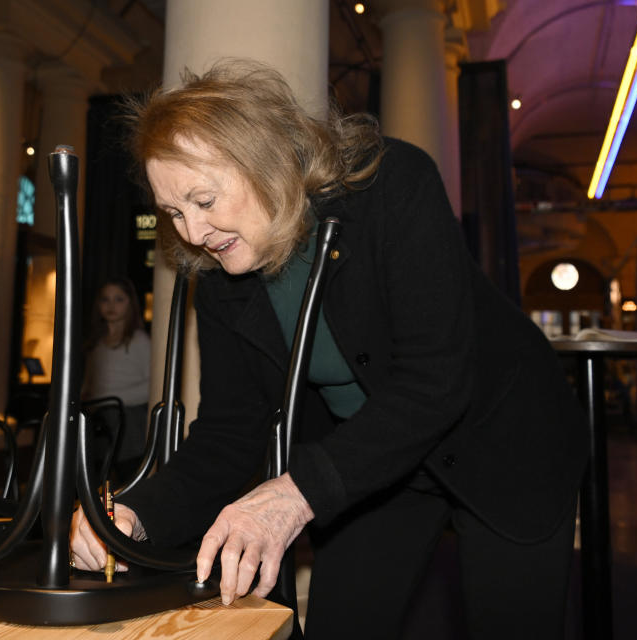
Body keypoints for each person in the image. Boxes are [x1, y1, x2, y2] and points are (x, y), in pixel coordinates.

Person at [70, 60, 588, 639]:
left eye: (203, 199)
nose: (191, 232)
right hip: (372, 463)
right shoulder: (218, 280)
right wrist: (137, 515)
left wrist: (293, 494)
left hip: (503, 441)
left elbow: (435, 381)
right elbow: (229, 432)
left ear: (264, 160)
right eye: (173, 212)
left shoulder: (392, 187)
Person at [81, 278, 151, 480]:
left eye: (119, 299)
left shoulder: (139, 341)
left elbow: (152, 386)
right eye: (105, 299)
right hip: (97, 414)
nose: (111, 305)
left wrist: (107, 398)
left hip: (126, 415)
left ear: (130, 303)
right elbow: (88, 383)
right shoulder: (96, 342)